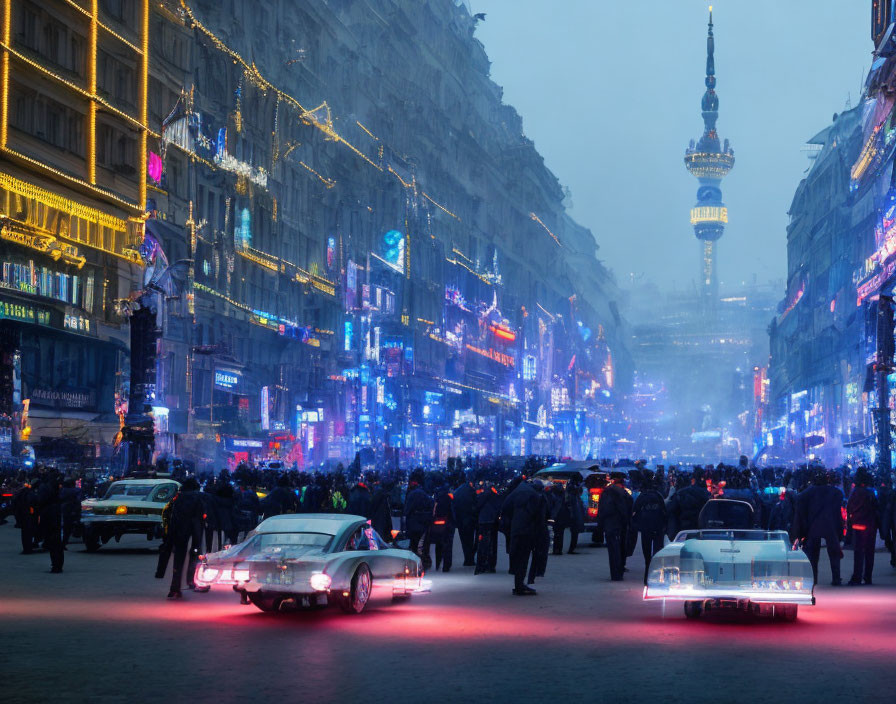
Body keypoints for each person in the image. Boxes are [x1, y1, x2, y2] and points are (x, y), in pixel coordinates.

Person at [794, 469, 844, 586]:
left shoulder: (806, 494)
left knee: (812, 554)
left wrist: (800, 531)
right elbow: (838, 512)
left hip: (813, 526)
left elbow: (801, 510)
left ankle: (813, 579)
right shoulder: (835, 493)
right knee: (834, 553)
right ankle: (836, 578)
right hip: (830, 525)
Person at [501, 478, 541, 595]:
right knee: (524, 558)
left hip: (515, 529)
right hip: (527, 530)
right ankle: (520, 585)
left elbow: (505, 507)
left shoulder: (516, 492)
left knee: (517, 557)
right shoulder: (534, 495)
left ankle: (518, 584)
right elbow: (537, 515)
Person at [167, 477, 205, 599]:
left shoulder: (178, 497)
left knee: (178, 558)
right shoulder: (198, 497)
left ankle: (174, 587)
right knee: (194, 554)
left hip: (180, 529)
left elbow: (173, 514)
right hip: (195, 529)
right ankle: (191, 581)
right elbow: (201, 513)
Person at [632, 474, 667, 585]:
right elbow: (665, 512)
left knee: (647, 555)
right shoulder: (658, 496)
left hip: (645, 529)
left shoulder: (642, 497)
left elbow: (634, 512)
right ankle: (657, 579)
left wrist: (637, 526)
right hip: (658, 528)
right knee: (657, 554)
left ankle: (647, 578)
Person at [846, 469, 879, 586]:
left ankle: (857, 577)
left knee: (858, 552)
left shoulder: (855, 492)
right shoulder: (872, 492)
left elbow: (849, 507)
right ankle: (868, 577)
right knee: (869, 552)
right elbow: (876, 507)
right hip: (871, 525)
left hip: (858, 524)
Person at [598, 472, 630, 581]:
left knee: (613, 550)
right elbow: (628, 509)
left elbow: (601, 510)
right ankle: (619, 572)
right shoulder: (624, 493)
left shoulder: (606, 492)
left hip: (610, 525)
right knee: (620, 548)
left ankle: (615, 574)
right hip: (621, 525)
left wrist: (600, 525)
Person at [404, 472, 434, 569]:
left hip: (413, 523)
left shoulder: (411, 494)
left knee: (414, 544)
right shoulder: (424, 493)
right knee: (423, 544)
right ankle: (424, 562)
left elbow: (407, 510)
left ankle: (415, 564)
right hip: (423, 523)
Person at [666, 472, 710, 538]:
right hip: (700, 526)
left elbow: (670, 509)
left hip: (683, 529)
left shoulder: (679, 494)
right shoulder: (704, 493)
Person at [36, 471, 64, 573]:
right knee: (57, 541)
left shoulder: (44, 487)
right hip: (56, 514)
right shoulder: (57, 487)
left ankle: (55, 565)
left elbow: (40, 500)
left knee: (52, 541)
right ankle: (58, 564)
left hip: (48, 515)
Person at [474, 482, 501, 574]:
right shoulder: (496, 496)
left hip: (483, 521)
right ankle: (491, 565)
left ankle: (481, 565)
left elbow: (476, 507)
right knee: (493, 544)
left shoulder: (481, 496)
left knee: (482, 543)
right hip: (493, 522)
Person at [429, 483, 456, 572]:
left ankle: (437, 564)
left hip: (437, 525)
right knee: (448, 545)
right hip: (448, 524)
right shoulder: (449, 499)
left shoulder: (436, 500)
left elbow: (433, 513)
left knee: (438, 545)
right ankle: (446, 566)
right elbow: (452, 512)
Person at [528, 480, 550, 585]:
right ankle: (535, 574)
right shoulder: (543, 498)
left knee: (530, 554)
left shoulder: (529, 497)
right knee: (539, 553)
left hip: (530, 528)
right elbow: (546, 513)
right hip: (540, 528)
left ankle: (529, 577)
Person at [452, 476, 478, 566]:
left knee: (464, 540)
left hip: (460, 519)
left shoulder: (456, 492)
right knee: (471, 539)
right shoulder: (471, 490)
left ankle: (467, 558)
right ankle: (470, 558)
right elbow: (476, 503)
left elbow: (454, 507)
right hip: (470, 518)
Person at [59, 478, 81, 549]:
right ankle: (64, 543)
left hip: (63, 510)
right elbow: (78, 500)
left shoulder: (62, 491)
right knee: (68, 528)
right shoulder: (76, 491)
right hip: (72, 510)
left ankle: (62, 543)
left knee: (65, 527)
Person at [565, 480, 586, 555]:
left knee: (574, 534)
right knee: (573, 534)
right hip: (574, 519)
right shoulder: (573, 498)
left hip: (575, 518)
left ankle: (571, 548)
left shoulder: (574, 497)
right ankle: (571, 549)